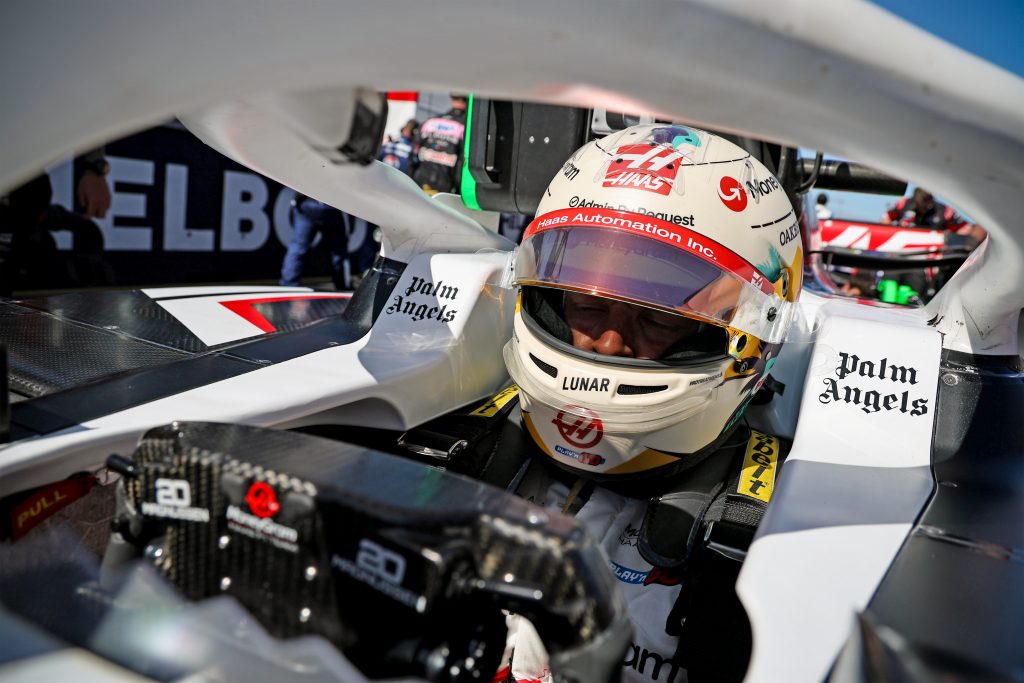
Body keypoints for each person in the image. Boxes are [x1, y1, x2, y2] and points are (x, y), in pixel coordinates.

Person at [401, 124, 803, 683]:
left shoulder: (783, 537)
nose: (608, 343)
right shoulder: (453, 443)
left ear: (753, 335)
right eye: (586, 303)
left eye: (662, 316)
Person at [279, 194, 353, 290]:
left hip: (308, 203)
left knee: (298, 247)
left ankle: (288, 285)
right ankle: (344, 286)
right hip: (330, 205)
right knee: (338, 251)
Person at [412, 94, 467, 195]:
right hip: (446, 188)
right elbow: (464, 161)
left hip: (420, 181)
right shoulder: (466, 127)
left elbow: (413, 154)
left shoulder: (430, 122)